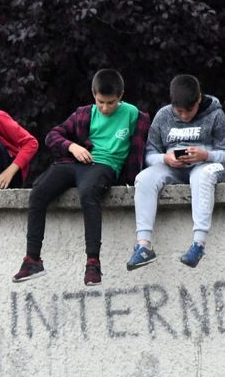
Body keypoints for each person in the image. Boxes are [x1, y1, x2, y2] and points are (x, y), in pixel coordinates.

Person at [12, 69, 149, 286]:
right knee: (38, 193)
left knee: (88, 194)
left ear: (120, 96)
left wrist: (132, 180)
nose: (105, 108)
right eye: (100, 102)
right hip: (75, 162)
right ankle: (32, 260)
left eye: (111, 103)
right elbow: (52, 136)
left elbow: (140, 151)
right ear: (93, 95)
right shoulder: (84, 113)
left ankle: (93, 263)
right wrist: (72, 146)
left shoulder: (134, 115)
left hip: (105, 166)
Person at [126, 74, 225, 270]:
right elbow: (149, 154)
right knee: (143, 178)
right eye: (180, 111)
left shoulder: (216, 115)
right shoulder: (163, 116)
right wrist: (165, 159)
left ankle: (198, 244)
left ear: (199, 99)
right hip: (172, 167)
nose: (184, 116)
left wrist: (205, 155)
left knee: (202, 176)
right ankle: (143, 246)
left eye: (189, 110)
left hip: (205, 166)